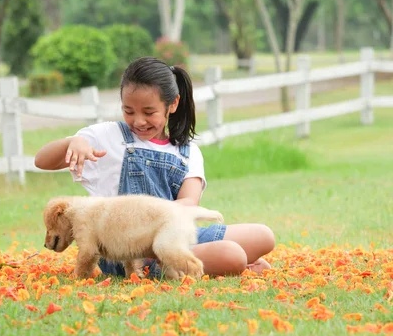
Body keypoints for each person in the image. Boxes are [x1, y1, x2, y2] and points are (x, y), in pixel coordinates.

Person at [34, 56, 275, 277]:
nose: (138, 121)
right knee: (232, 254)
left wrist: (159, 227)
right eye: (129, 111)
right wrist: (73, 142)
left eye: (149, 112)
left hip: (171, 235)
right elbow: (41, 161)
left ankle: (221, 263)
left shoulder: (187, 151)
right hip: (125, 249)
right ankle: (228, 264)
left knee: (264, 236)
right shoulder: (106, 135)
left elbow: (189, 204)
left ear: (172, 104)